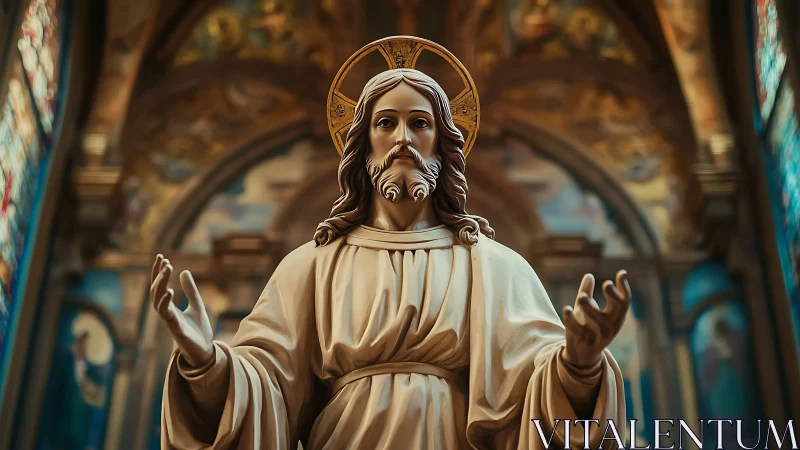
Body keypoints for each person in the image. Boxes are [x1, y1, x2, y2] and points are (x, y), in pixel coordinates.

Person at [153, 38, 629, 450]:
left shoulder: (494, 266)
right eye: (386, 123)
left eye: (420, 123)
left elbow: (534, 394)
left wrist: (579, 365)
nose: (403, 138)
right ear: (363, 145)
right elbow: (265, 388)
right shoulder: (314, 265)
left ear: (442, 144)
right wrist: (206, 364)